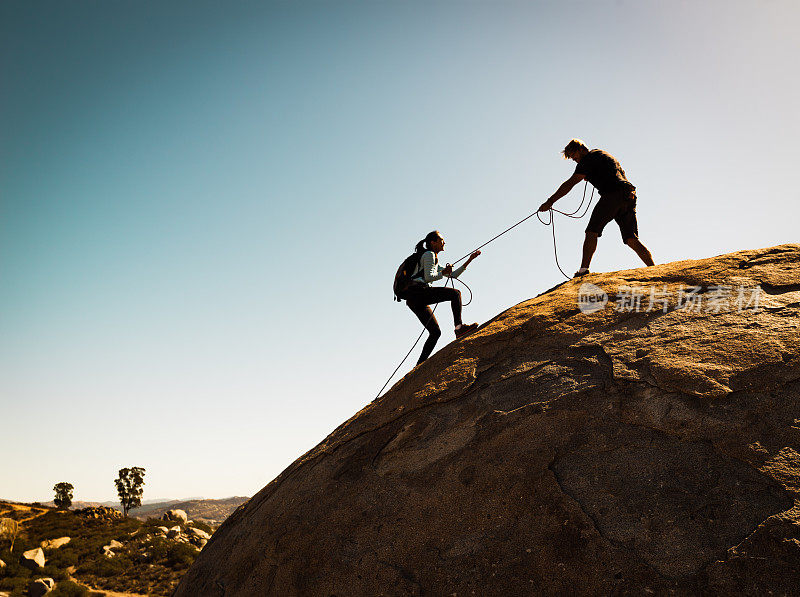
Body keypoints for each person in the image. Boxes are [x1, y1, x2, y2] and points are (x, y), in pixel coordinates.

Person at [538, 139, 654, 277]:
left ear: (581, 149)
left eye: (573, 155)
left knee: (592, 231)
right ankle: (653, 269)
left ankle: (583, 270)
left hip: (612, 195)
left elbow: (570, 183)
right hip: (628, 195)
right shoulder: (602, 154)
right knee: (631, 238)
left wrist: (550, 201)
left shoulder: (587, 160)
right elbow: (617, 173)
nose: (574, 159)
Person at [405, 231, 481, 365]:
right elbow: (429, 277)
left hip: (413, 298)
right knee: (455, 294)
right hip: (418, 292)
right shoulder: (429, 254)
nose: (444, 242)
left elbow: (453, 275)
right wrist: (443, 272)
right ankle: (459, 329)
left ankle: (420, 365)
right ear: (433, 242)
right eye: (441, 240)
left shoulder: (432, 258)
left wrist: (470, 260)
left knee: (435, 332)